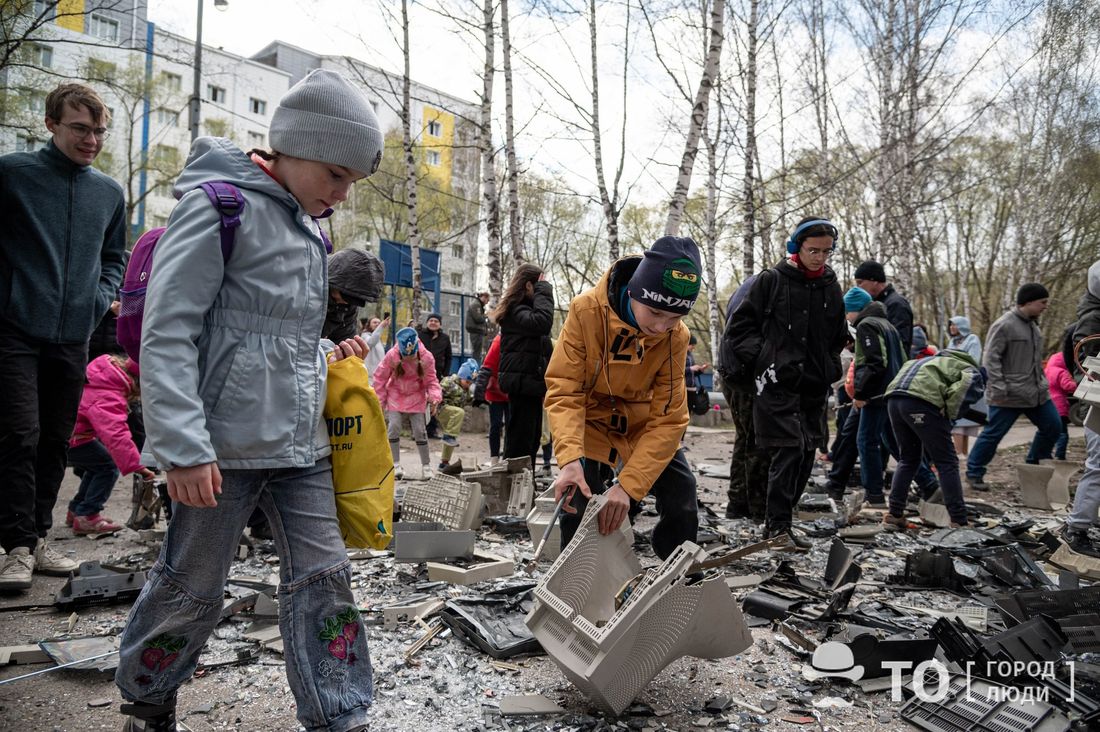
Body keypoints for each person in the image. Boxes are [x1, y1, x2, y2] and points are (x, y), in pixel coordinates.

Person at [114, 69, 382, 730]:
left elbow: (281, 341)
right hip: (221, 449)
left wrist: (326, 359)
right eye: (336, 174)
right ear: (293, 147)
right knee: (193, 584)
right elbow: (168, 332)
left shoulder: (311, 228)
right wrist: (181, 446)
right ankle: (147, 700)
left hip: (301, 448)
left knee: (326, 579)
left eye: (351, 181)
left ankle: (340, 715)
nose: (342, 193)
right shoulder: (218, 207)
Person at [0, 83, 127, 591]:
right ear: (51, 124)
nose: (91, 140)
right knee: (19, 434)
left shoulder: (109, 193)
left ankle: (35, 538)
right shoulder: (12, 174)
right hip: (13, 329)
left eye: (99, 131)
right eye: (80, 128)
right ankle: (15, 546)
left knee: (56, 438)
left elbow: (113, 258)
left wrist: (97, 300)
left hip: (73, 336)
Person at [546, 236, 701, 560]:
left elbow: (670, 419)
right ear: (633, 291)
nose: (661, 326)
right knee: (577, 497)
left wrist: (628, 487)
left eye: (674, 318)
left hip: (641, 424)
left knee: (683, 496)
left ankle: (676, 571)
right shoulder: (586, 311)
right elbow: (565, 390)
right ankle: (574, 575)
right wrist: (570, 460)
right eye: (655, 312)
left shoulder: (676, 336)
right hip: (592, 420)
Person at [725, 218, 846, 550]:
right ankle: (777, 527)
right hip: (776, 384)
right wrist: (768, 360)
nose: (819, 257)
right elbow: (740, 330)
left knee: (807, 451)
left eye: (826, 251)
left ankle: (782, 520)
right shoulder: (771, 281)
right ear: (796, 247)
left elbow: (837, 334)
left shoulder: (830, 285)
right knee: (788, 450)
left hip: (814, 385)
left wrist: (830, 365)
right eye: (813, 250)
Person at [966, 283, 1062, 490]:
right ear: (1028, 302)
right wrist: (999, 388)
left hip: (1036, 393)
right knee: (993, 434)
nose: (1045, 306)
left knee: (1053, 426)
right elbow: (990, 359)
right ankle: (974, 472)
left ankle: (1034, 463)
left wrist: (1042, 383)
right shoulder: (1004, 325)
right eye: (1042, 302)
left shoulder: (1033, 326)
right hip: (1008, 394)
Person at [882, 348, 985, 530]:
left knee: (908, 459)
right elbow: (965, 390)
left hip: (894, 401)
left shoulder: (928, 362)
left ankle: (894, 514)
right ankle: (959, 520)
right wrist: (950, 414)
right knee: (946, 462)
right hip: (921, 402)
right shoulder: (970, 369)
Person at [66, 354, 155, 535]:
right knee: (108, 466)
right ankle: (87, 515)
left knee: (97, 465)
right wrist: (138, 466)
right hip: (71, 437)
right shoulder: (109, 394)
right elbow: (116, 435)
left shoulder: (103, 372)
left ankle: (77, 509)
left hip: (70, 433)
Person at [847, 286, 908, 506]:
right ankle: (929, 485)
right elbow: (900, 358)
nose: (847, 317)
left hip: (876, 394)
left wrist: (861, 393)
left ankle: (874, 494)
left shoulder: (867, 325)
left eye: (847, 312)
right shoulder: (887, 325)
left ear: (855, 309)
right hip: (892, 391)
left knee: (866, 441)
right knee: (893, 442)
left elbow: (874, 363)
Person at [719, 275, 770, 522]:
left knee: (747, 437)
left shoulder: (753, 287)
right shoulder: (768, 288)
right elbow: (745, 338)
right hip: (744, 374)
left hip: (733, 371)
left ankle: (739, 504)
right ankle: (756, 508)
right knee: (756, 440)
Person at [494, 264, 554, 470]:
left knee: (531, 441)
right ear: (529, 285)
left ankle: (524, 483)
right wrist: (544, 290)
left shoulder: (523, 311)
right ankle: (514, 484)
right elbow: (543, 322)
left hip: (530, 385)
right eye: (539, 285)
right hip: (522, 385)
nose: (541, 289)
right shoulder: (517, 310)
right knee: (520, 443)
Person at [1063, 260, 1100, 556]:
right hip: (1098, 404)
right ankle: (1076, 528)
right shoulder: (1091, 321)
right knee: (1098, 466)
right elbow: (1087, 365)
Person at [374, 327, 442, 481]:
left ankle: (426, 466)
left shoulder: (426, 357)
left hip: (416, 395)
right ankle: (395, 465)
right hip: (396, 394)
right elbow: (380, 378)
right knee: (393, 427)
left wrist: (434, 397)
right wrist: (380, 401)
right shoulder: (392, 355)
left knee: (419, 430)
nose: (409, 358)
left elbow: (431, 380)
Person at [323, 248, 384, 343]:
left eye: (354, 300)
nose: (345, 302)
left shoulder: (348, 307)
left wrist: (346, 350)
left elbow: (344, 337)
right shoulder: (305, 284)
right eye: (345, 296)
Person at [854, 260, 914, 354]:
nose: (857, 288)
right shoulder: (874, 305)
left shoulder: (896, 304)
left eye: (860, 282)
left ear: (874, 281)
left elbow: (899, 344)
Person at [946, 316, 983, 455]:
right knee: (958, 421)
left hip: (968, 382)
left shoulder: (972, 339)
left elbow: (973, 360)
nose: (952, 327)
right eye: (950, 325)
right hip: (953, 383)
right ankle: (962, 455)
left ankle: (960, 455)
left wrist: (956, 366)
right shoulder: (952, 342)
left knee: (963, 422)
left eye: (954, 325)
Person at [472, 333, 509, 466]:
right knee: (496, 424)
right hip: (496, 391)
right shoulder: (499, 341)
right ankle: (494, 459)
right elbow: (487, 366)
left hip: (510, 390)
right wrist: (479, 394)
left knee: (510, 425)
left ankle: (507, 458)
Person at [437, 358, 478, 471]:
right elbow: (436, 391)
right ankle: (448, 436)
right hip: (441, 409)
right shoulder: (449, 382)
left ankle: (444, 463)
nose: (468, 385)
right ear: (461, 376)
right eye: (467, 382)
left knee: (451, 438)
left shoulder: (466, 390)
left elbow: (468, 400)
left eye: (471, 383)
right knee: (459, 413)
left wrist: (478, 400)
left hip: (453, 415)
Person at [418, 313, 452, 438]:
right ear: (427, 322)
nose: (433, 323)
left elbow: (448, 357)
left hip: (437, 375)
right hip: (419, 374)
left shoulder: (445, 338)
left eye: (436, 321)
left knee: (434, 402)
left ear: (440, 324)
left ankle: (432, 430)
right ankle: (418, 430)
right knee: (419, 401)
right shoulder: (420, 335)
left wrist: (445, 374)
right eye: (431, 320)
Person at [1046, 348, 1077, 461]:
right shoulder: (1061, 372)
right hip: (1059, 406)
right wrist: (1077, 384)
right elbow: (1067, 386)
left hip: (1047, 405)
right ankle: (1060, 455)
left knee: (1049, 432)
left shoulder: (1046, 371)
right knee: (1062, 433)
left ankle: (1046, 453)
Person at [466, 291, 490, 361]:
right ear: (484, 297)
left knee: (477, 351)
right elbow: (478, 318)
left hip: (476, 330)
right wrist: (486, 316)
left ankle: (475, 363)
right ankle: (475, 365)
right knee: (476, 351)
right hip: (476, 330)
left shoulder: (477, 304)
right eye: (487, 300)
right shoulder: (476, 305)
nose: (487, 302)